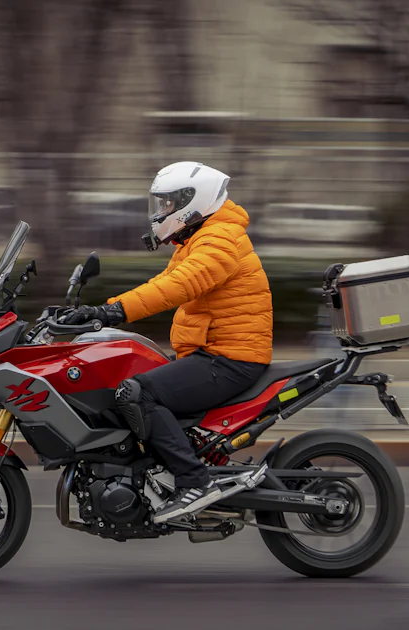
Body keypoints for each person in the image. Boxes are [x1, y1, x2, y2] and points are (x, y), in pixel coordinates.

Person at [62, 161, 273, 522]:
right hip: (214, 353)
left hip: (230, 358)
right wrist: (98, 310)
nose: (161, 212)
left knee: (137, 393)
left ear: (194, 201)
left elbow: (178, 286)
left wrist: (113, 311)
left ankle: (195, 482)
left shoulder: (221, 239)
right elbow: (163, 282)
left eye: (167, 204)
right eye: (160, 205)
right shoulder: (203, 236)